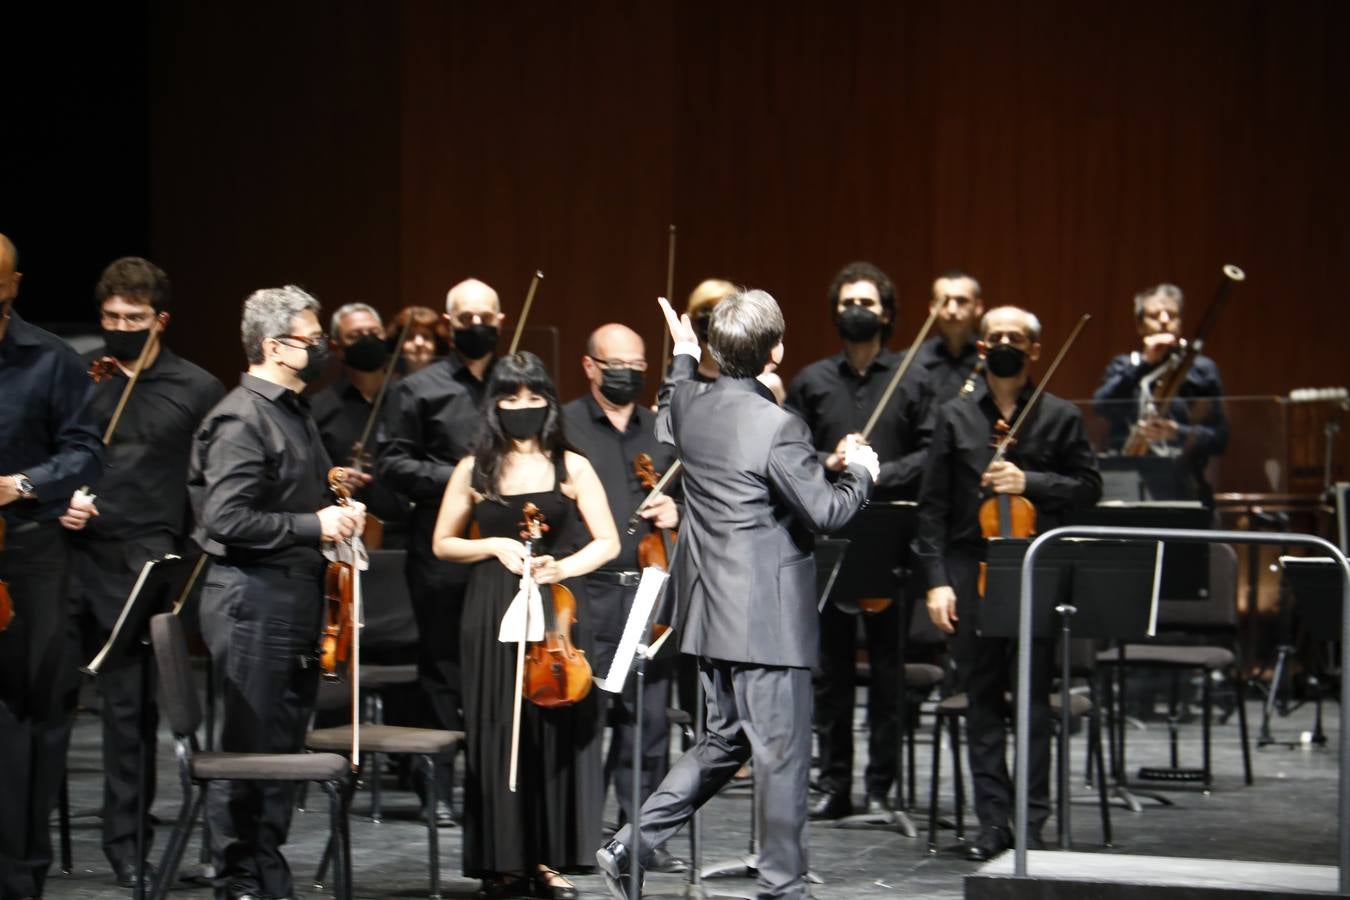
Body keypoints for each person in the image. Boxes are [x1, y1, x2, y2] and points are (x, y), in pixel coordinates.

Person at [598, 291, 879, 900]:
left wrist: (682, 355)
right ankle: (785, 888)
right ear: (776, 351)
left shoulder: (694, 406)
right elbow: (827, 511)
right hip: (767, 621)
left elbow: (667, 414)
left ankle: (630, 846)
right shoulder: (779, 425)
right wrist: (861, 471)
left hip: (711, 615)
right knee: (780, 758)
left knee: (725, 741)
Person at [189, 285, 365, 900]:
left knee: (281, 742)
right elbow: (225, 521)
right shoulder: (242, 417)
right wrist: (313, 525)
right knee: (251, 745)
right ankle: (237, 873)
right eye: (313, 341)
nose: (323, 349)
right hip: (250, 603)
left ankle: (265, 864)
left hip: (290, 600)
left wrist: (337, 505)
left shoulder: (293, 410)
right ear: (274, 346)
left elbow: (287, 497)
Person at [56, 257, 224, 887]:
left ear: (161, 320)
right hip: (71, 559)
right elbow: (50, 454)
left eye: (134, 318)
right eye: (110, 317)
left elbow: (202, 491)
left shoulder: (197, 389)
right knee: (45, 705)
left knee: (130, 715)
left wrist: (185, 579)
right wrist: (62, 497)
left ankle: (128, 845)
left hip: (144, 567)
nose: (120, 327)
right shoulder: (78, 375)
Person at [917, 305, 1102, 861]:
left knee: (1034, 705)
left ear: (1035, 350)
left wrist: (1031, 481)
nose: (1003, 343)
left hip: (1036, 571)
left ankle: (1032, 820)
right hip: (971, 572)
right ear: (981, 347)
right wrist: (936, 582)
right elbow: (932, 509)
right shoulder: (953, 417)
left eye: (1014, 337)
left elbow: (1089, 488)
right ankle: (993, 822)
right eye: (994, 336)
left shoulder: (1060, 417)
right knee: (981, 702)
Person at [431, 351, 616, 899]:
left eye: (534, 396)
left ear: (549, 403)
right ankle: (502, 861)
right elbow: (442, 543)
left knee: (550, 737)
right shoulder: (475, 469)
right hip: (491, 611)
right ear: (494, 405)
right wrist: (493, 544)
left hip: (554, 612)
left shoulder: (572, 465)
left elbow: (607, 541)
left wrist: (562, 564)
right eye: (510, 397)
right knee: (497, 733)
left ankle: (547, 861)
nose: (522, 407)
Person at [785, 261, 932, 821]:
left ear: (887, 313)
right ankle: (835, 784)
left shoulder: (915, 379)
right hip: (829, 534)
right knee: (830, 670)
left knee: (890, 670)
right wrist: (829, 461)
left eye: (867, 303)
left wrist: (871, 471)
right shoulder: (812, 381)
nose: (857, 311)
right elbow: (792, 455)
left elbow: (929, 455)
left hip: (891, 534)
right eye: (848, 302)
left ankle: (884, 786)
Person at [377, 278, 506, 823]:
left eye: (485, 317)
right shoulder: (418, 389)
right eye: (465, 318)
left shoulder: (517, 385)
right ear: (449, 324)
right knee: (441, 667)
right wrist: (460, 478)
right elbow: (394, 465)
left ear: (500, 321)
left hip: (505, 546)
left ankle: (493, 785)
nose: (475, 326)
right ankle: (440, 791)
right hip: (440, 547)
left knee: (498, 665)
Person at [0, 233, 104, 900]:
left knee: (23, 718)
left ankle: (18, 875)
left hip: (25, 557)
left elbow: (85, 455)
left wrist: (24, 484)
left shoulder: (53, 361)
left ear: (11, 286)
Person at [561, 324, 686, 872]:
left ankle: (640, 837)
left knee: (649, 722)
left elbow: (695, 492)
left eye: (638, 366)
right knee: (585, 717)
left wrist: (677, 511)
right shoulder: (562, 425)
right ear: (590, 366)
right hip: (588, 591)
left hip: (650, 588)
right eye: (617, 364)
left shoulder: (662, 430)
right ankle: (580, 833)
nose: (629, 374)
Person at [1092, 282, 1228, 505]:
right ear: (1140, 326)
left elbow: (1220, 437)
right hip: (1128, 482)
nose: (1164, 320)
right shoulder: (1124, 366)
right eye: (1154, 315)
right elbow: (1100, 407)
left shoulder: (1202, 369)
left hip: (1184, 482)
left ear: (1181, 322)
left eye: (1172, 315)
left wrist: (1177, 432)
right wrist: (1145, 363)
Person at [309, 302, 410, 545]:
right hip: (346, 536)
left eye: (374, 334)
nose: (367, 340)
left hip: (410, 533)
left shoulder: (411, 399)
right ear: (337, 347)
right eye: (355, 336)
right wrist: (335, 481)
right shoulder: (317, 408)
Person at [916, 270, 986, 403]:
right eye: (944, 302)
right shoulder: (911, 361)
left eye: (961, 301)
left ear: (978, 307)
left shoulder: (993, 360)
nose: (952, 310)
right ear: (932, 308)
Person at [389, 304, 450, 377]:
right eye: (410, 337)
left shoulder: (451, 384)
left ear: (437, 344)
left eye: (426, 337)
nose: (419, 343)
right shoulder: (387, 385)